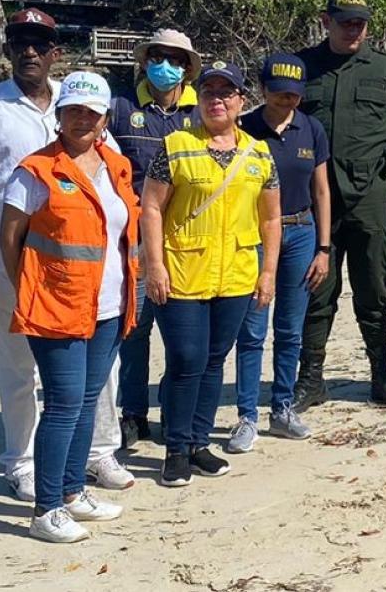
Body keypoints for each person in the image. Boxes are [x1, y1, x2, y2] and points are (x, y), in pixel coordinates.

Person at [0, 8, 133, 502]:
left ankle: (97, 453)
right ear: (8, 50)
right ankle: (21, 462)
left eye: (39, 44)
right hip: (7, 256)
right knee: (19, 365)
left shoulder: (77, 101)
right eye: (20, 42)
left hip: (79, 264)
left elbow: (108, 175)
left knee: (98, 367)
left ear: (55, 53)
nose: (29, 51)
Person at [0, 72, 137, 543]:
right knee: (62, 405)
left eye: (91, 113)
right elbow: (9, 236)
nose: (82, 119)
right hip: (56, 307)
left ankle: (74, 492)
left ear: (104, 120)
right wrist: (31, 287)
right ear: (59, 116)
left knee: (85, 404)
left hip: (110, 305)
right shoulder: (35, 170)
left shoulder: (116, 167)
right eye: (73, 110)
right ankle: (47, 507)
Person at [140, 62, 282, 487]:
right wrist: (154, 265)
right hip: (182, 271)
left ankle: (200, 443)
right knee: (186, 360)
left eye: (227, 92)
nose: (217, 100)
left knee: (215, 360)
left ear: (241, 100)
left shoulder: (258, 153)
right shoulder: (176, 146)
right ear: (197, 98)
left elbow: (271, 219)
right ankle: (175, 448)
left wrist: (268, 272)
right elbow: (150, 207)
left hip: (236, 275)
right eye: (209, 92)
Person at [294, 0, 386, 409]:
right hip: (314, 199)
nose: (353, 29)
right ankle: (310, 379)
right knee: (316, 291)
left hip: (368, 198)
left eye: (360, 23)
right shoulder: (301, 67)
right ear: (326, 21)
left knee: (374, 290)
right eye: (345, 21)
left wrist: (368, 166)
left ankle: (381, 375)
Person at [226, 54, 331, 452]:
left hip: (302, 232)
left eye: (294, 94)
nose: (288, 100)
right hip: (255, 236)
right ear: (263, 89)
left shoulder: (312, 129)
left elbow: (322, 190)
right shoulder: (245, 128)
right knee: (252, 330)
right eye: (280, 93)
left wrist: (323, 247)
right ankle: (247, 416)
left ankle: (283, 407)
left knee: (290, 329)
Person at [108, 28, 203, 447]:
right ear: (145, 61)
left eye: (175, 58)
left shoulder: (201, 112)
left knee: (183, 331)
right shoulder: (119, 106)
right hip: (133, 240)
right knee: (135, 328)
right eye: (158, 56)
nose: (166, 65)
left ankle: (172, 405)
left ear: (186, 67)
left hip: (188, 238)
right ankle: (133, 413)